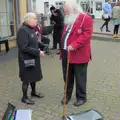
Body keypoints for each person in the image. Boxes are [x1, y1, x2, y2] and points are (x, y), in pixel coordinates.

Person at [60, 1, 93, 106]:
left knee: (80, 77)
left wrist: (74, 45)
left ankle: (81, 97)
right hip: (66, 52)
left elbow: (86, 35)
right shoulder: (69, 18)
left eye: (67, 10)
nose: (65, 12)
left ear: (74, 9)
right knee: (67, 77)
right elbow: (66, 34)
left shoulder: (85, 18)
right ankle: (67, 95)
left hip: (79, 54)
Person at [17, 12, 45, 105]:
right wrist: (38, 52)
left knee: (33, 76)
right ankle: (24, 97)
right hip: (26, 59)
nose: (36, 20)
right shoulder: (22, 31)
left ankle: (33, 92)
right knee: (27, 78)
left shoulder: (31, 29)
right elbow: (23, 47)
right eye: (34, 18)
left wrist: (43, 46)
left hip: (34, 57)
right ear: (28, 19)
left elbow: (35, 41)